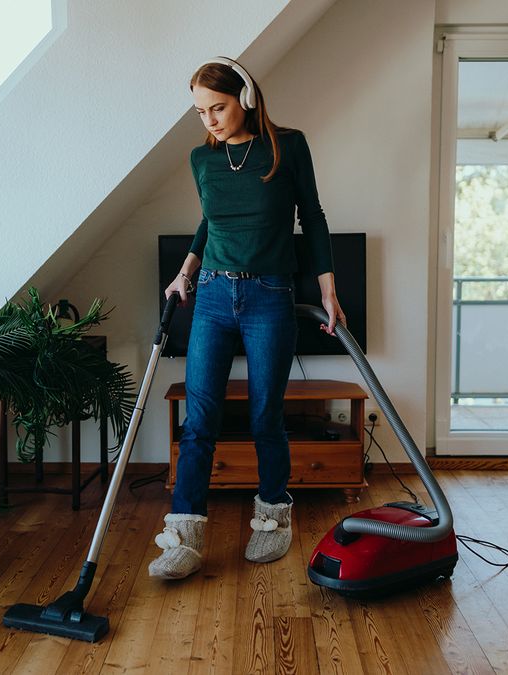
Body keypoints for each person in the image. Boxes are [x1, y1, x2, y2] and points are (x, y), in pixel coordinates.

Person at [149, 56, 346, 580]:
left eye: (217, 107)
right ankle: (184, 538)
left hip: (268, 296)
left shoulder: (289, 145)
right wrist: (185, 272)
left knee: (265, 416)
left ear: (247, 99)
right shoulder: (202, 159)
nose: (209, 119)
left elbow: (315, 216)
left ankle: (273, 520)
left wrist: (329, 291)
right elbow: (210, 223)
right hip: (212, 295)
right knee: (200, 422)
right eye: (199, 111)